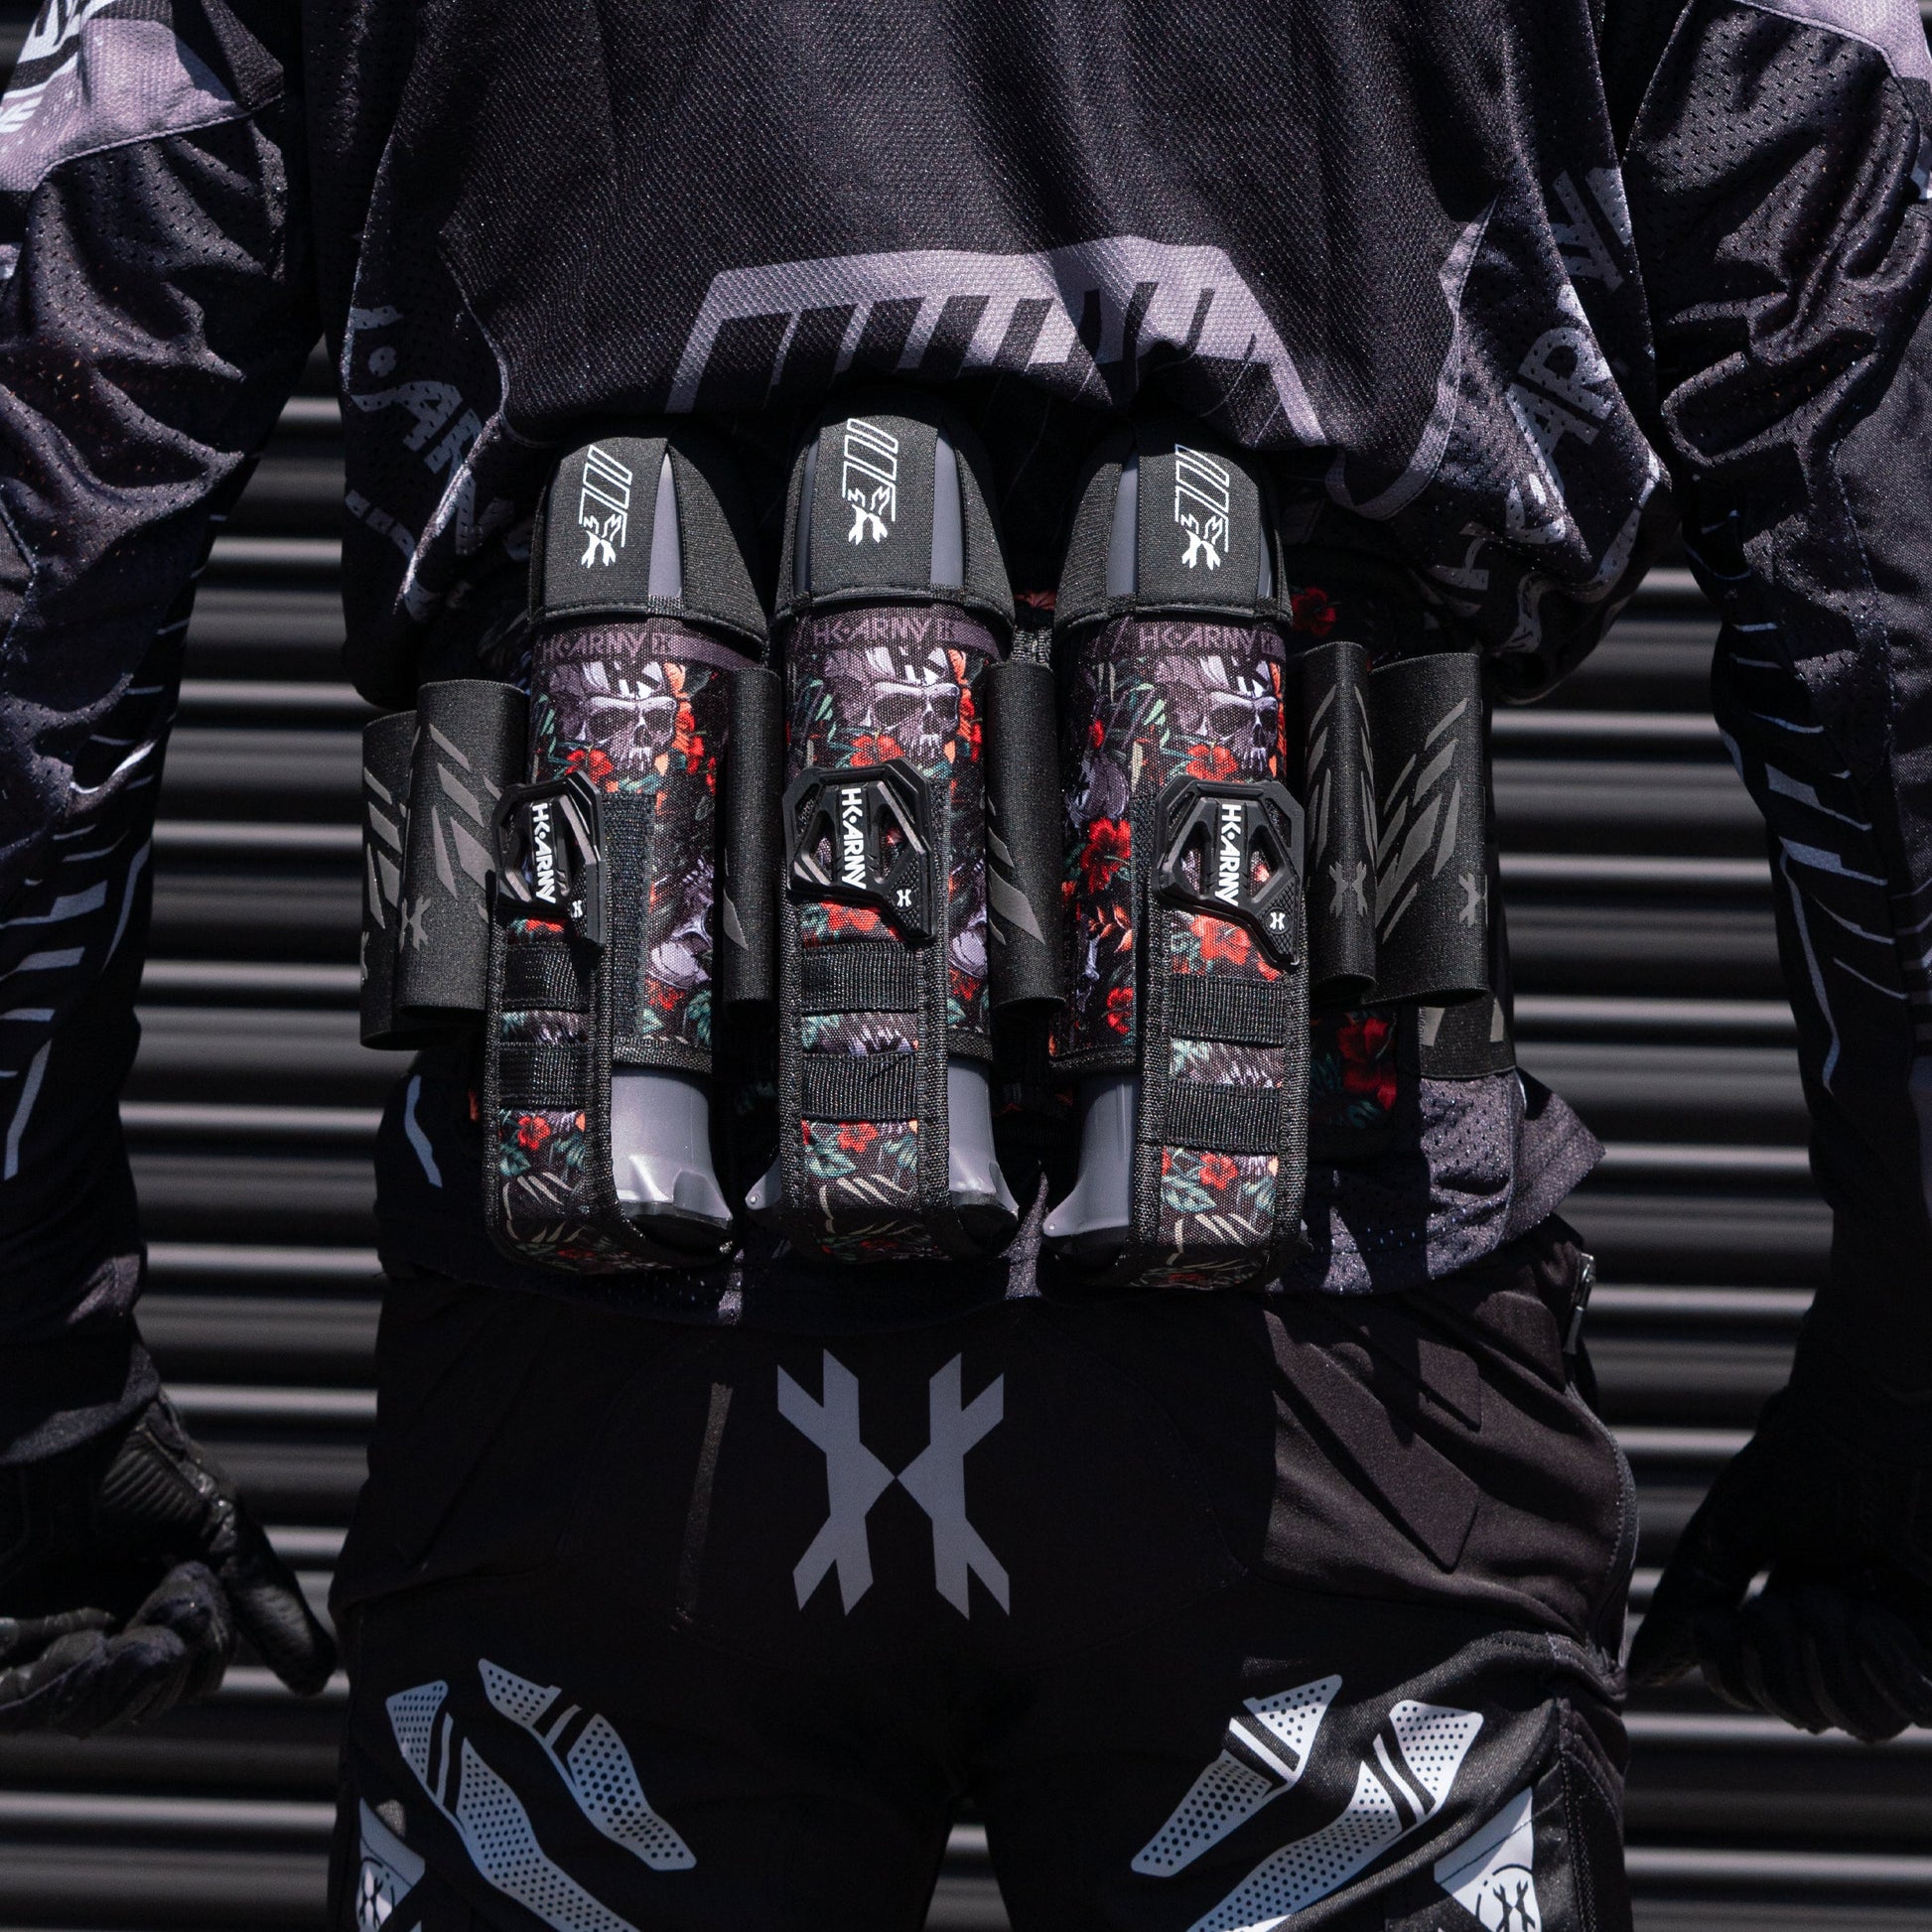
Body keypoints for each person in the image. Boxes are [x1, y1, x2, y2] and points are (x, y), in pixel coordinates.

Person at [1, 0, 1929, 1924]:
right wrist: (1899, 1405)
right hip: (1326, 1329)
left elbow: (41, 609)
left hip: (609, 1337)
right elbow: (1880, 623)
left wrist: (43, 1401)